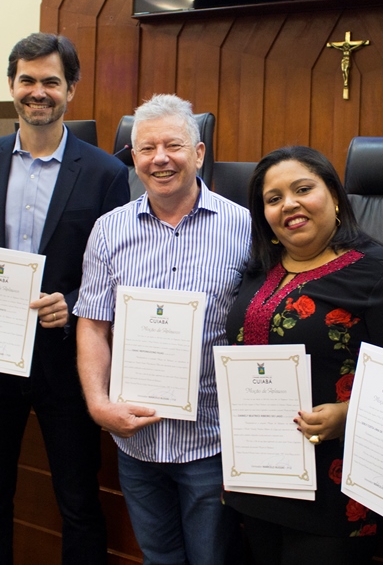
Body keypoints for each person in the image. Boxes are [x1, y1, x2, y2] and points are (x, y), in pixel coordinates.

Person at [0, 33, 129, 565]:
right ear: (11, 86)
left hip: (65, 363)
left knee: (77, 502)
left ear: (71, 90)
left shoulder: (106, 173)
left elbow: (115, 272)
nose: (37, 91)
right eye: (27, 80)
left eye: (50, 81)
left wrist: (71, 301)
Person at [74, 94, 251, 565]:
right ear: (133, 159)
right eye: (146, 148)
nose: (160, 159)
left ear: (198, 153)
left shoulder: (245, 227)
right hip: (136, 440)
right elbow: (92, 324)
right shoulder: (108, 231)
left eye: (173, 145)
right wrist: (97, 404)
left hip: (210, 439)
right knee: (159, 559)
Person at [222, 145, 383, 565]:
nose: (289, 204)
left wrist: (349, 414)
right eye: (273, 199)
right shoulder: (259, 268)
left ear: (334, 196)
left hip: (333, 488)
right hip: (257, 480)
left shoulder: (379, 274)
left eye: (303, 189)